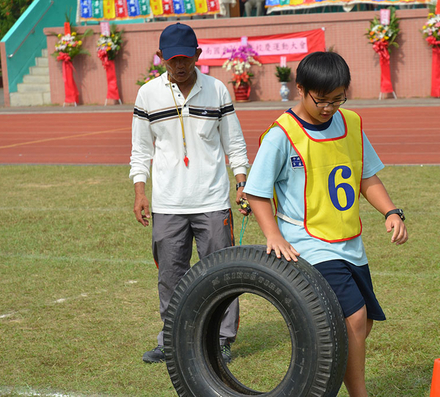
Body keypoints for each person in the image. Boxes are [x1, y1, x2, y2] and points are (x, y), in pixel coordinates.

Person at [243, 51, 408, 396]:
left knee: (364, 325)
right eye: (322, 101)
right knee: (355, 319)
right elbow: (255, 192)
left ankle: (320, 384)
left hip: (349, 241)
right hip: (307, 243)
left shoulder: (351, 123)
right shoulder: (281, 134)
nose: (330, 108)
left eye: (338, 99)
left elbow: (366, 176)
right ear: (300, 89)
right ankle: (359, 393)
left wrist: (392, 212)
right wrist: (273, 235)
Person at [130, 22, 250, 364]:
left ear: (198, 55)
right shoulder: (147, 94)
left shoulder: (217, 91)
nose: (179, 66)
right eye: (172, 60)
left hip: (212, 200)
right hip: (167, 202)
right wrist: (140, 191)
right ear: (160, 58)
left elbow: (235, 144)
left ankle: (223, 339)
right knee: (170, 276)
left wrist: (241, 183)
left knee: (222, 273)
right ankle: (171, 338)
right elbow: (141, 150)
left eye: (185, 58)